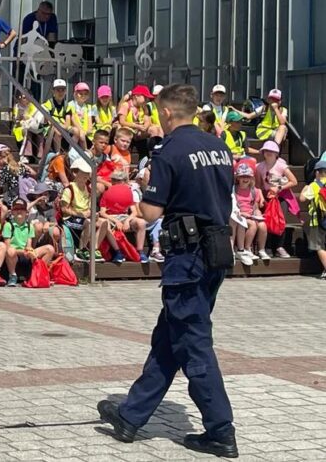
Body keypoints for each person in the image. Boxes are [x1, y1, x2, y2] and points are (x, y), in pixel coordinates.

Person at [97, 84, 238, 458]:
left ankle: (220, 429)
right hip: (216, 252)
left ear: (167, 113)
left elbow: (152, 213)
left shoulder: (170, 150)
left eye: (158, 112)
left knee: (193, 343)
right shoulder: (220, 147)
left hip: (186, 258)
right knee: (168, 340)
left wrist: (137, 193)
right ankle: (131, 416)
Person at [300, 160, 326, 280]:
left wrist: (305, 188)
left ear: (317, 172)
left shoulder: (315, 185)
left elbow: (302, 199)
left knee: (319, 247)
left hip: (318, 221)